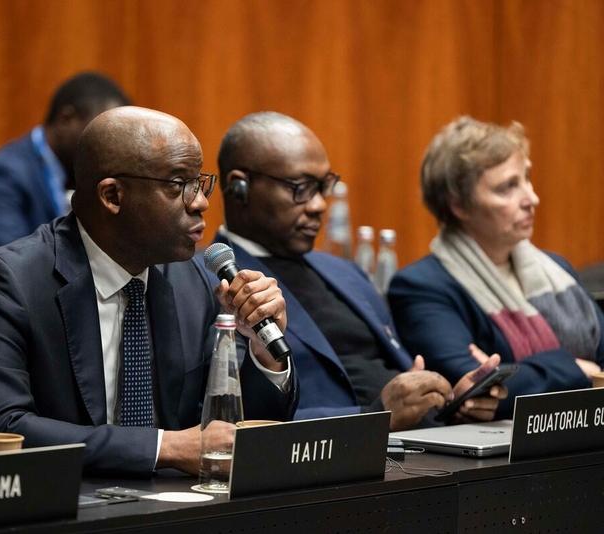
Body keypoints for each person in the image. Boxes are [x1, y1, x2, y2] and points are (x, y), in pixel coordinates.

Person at [0, 107, 296, 476]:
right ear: (112, 195)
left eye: (199, 182)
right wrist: (164, 447)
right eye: (178, 185)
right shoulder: (8, 283)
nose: (200, 202)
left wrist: (264, 357)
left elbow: (233, 438)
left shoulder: (193, 280)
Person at [214, 111, 504, 430]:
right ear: (238, 187)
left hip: (416, 443)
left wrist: (449, 405)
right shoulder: (212, 284)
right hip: (329, 460)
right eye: (300, 187)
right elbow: (233, 419)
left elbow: (394, 380)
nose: (319, 205)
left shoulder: (346, 273)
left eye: (323, 187)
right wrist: (374, 417)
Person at [389, 116, 604, 415]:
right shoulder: (421, 286)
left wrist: (514, 373)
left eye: (527, 178)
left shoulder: (557, 269)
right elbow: (473, 388)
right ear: (459, 205)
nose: (532, 198)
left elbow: (503, 386)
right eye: (507, 187)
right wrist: (576, 368)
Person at [0, 72, 131, 258]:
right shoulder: (0, 175)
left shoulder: (85, 176)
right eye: (102, 134)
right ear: (66, 118)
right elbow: (10, 263)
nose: (109, 147)